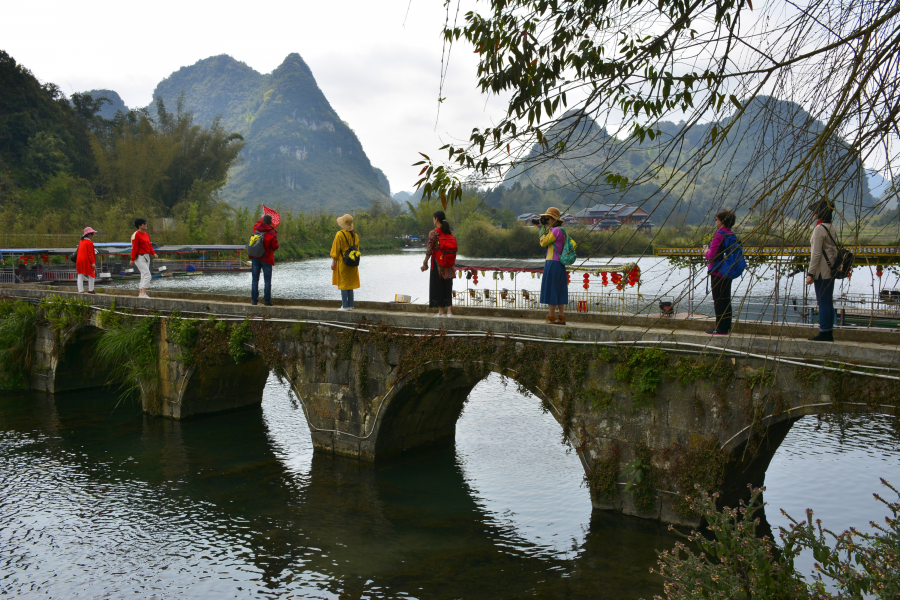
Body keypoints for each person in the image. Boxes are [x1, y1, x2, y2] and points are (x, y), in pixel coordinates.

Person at [806, 200, 838, 342]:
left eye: (815, 211)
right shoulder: (831, 226)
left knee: (823, 302)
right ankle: (828, 331)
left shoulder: (819, 229)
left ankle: (824, 332)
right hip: (830, 269)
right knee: (828, 302)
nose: (813, 214)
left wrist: (810, 273)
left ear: (819, 213)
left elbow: (816, 254)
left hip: (822, 271)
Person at [703, 209, 737, 336]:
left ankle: (720, 328)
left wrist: (705, 252)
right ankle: (726, 327)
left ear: (722, 221)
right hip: (728, 270)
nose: (716, 221)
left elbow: (712, 255)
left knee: (718, 300)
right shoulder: (731, 234)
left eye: (716, 219)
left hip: (718, 271)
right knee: (726, 299)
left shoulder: (719, 234)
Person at [536, 207, 569, 324]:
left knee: (552, 290)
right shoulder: (562, 230)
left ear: (554, 219)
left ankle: (551, 317)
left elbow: (543, 242)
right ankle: (561, 317)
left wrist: (540, 228)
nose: (546, 221)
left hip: (552, 262)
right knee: (560, 290)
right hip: (559, 264)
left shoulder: (555, 231)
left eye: (548, 219)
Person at [421, 210, 454, 317]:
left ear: (436, 219)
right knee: (448, 286)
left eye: (433, 218)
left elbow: (429, 251)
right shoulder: (449, 232)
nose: (433, 220)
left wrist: (425, 263)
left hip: (438, 264)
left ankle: (441, 313)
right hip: (449, 264)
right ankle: (449, 312)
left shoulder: (433, 233)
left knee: (438, 286)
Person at [331, 214, 360, 311]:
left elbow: (336, 250)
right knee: (350, 284)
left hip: (343, 262)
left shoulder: (340, 234)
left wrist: (333, 261)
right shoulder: (355, 236)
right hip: (352, 262)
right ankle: (351, 306)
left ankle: (345, 306)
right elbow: (357, 249)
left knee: (343, 284)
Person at [251, 213, 279, 306]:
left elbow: (256, 224)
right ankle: (267, 301)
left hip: (255, 257)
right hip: (266, 259)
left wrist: (261, 218)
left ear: (263, 220)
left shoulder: (256, 229)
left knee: (255, 280)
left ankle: (254, 301)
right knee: (267, 281)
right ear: (270, 222)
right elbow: (275, 246)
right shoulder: (271, 232)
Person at [130, 218, 158, 298]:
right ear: (139, 225)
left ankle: (141, 293)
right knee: (147, 274)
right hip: (139, 257)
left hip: (147, 256)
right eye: (144, 223)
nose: (146, 225)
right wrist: (132, 259)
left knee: (143, 275)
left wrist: (154, 253)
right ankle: (143, 293)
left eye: (146, 223)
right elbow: (134, 247)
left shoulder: (146, 234)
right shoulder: (136, 234)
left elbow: (149, 245)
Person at [76, 226, 98, 294]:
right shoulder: (89, 243)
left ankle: (80, 290)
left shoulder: (81, 241)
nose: (92, 235)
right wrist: (93, 263)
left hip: (79, 260)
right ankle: (91, 289)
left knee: (80, 274)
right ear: (87, 234)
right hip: (86, 260)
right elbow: (90, 254)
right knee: (92, 274)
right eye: (92, 234)